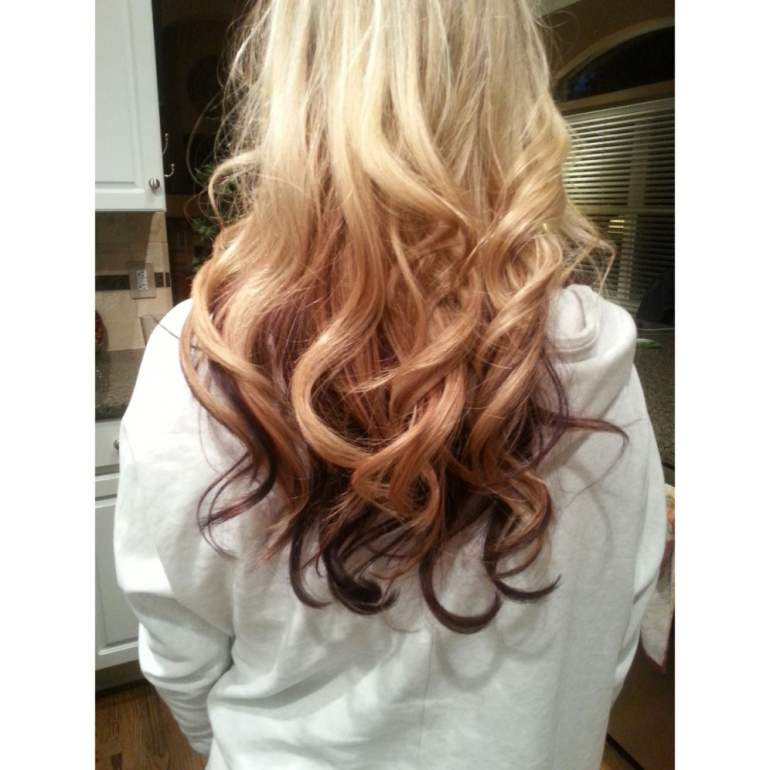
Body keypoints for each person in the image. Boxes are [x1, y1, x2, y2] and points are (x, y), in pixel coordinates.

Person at [114, 1, 666, 768]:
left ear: (290, 90)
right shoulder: (595, 355)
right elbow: (614, 626)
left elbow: (180, 650)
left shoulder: (201, 361)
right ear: (510, 86)